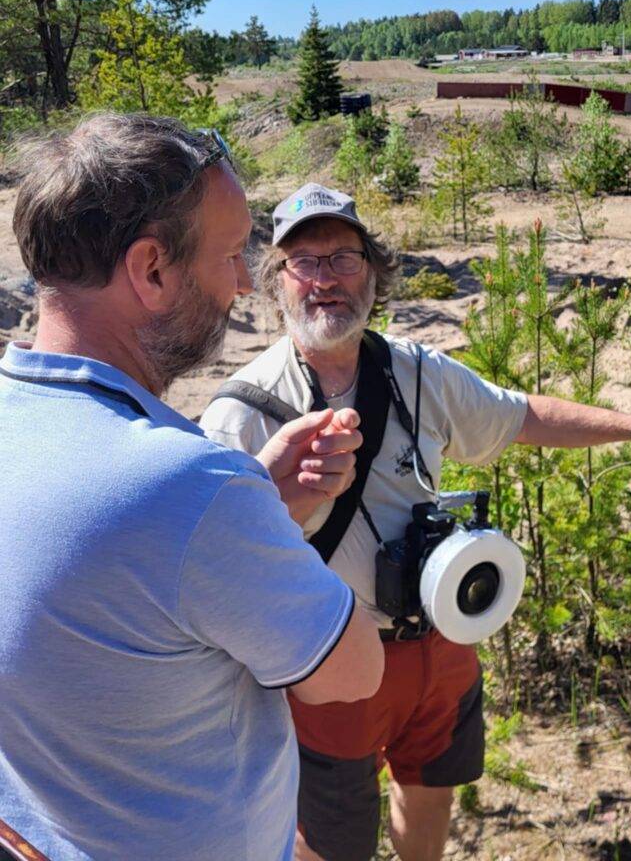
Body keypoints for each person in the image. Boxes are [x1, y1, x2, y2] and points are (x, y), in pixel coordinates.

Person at [200, 182, 631, 861]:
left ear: (374, 274)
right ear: (276, 282)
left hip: (442, 640)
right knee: (327, 839)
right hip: (325, 661)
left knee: (429, 791)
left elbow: (522, 416)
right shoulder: (241, 412)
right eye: (304, 262)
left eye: (345, 258)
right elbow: (211, 574)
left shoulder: (420, 374)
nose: (326, 280)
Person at [0, 116, 384, 861]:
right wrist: (243, 509)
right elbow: (352, 672)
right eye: (231, 254)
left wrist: (256, 504)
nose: (242, 282)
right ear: (151, 270)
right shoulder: (189, 487)